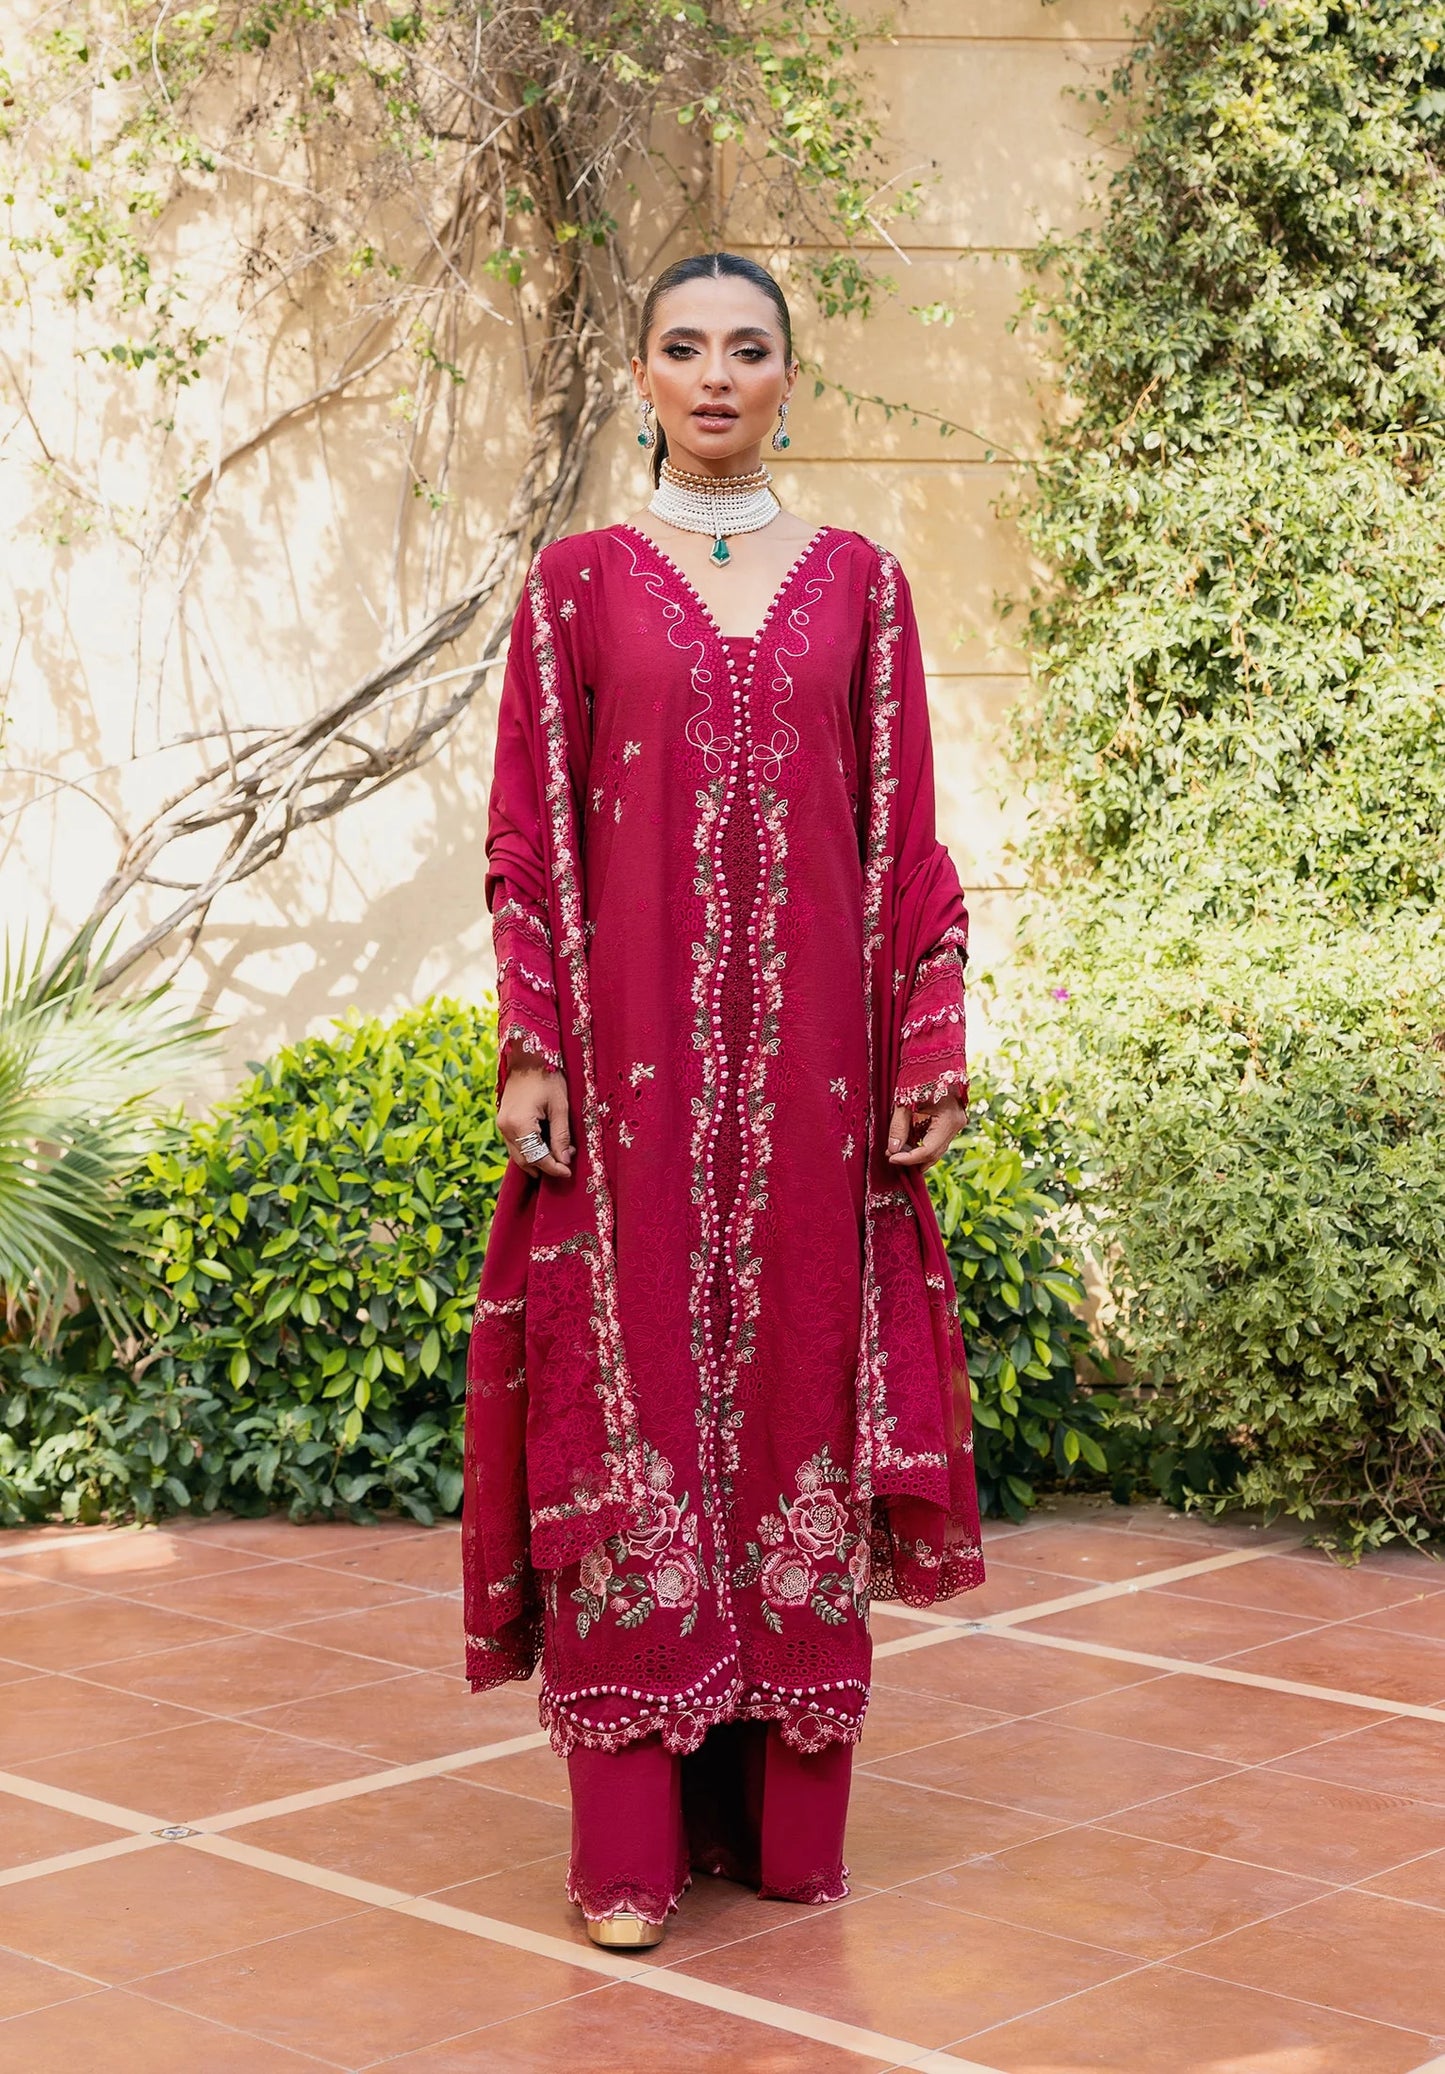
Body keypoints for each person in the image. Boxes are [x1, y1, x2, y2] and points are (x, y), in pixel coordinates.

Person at [462, 250, 984, 1950]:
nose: (712, 376)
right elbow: (527, 832)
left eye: (744, 349)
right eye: (680, 347)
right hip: (627, 1101)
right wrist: (532, 1041)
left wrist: (924, 1035)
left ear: (785, 378)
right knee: (628, 1412)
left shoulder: (861, 587)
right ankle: (624, 1848)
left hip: (817, 1108)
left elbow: (902, 832)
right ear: (637, 371)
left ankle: (779, 1826)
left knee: (792, 1413)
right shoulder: (579, 585)